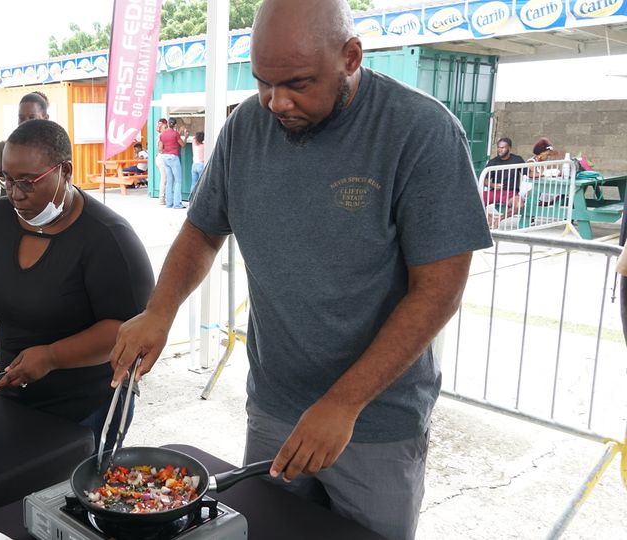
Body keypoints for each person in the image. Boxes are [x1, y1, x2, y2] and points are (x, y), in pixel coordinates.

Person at [108, 1, 492, 539]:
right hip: (276, 404)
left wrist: (343, 402)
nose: (276, 101)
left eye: (298, 83)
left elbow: (439, 291)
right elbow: (202, 231)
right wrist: (159, 310)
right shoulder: (247, 125)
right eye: (264, 82)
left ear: (351, 57)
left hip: (375, 420)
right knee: (265, 530)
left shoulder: (421, 132)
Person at [0, 119, 154, 448]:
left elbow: (127, 330)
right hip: (17, 393)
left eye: (27, 182)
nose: (14, 194)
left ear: (65, 171)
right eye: (7, 179)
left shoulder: (108, 237)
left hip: (89, 403)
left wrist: (53, 356)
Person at [0, 91, 50, 382]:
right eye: (21, 118)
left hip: (44, 234)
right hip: (10, 234)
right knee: (6, 296)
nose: (25, 123)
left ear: (46, 118)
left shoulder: (55, 150)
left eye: (32, 118)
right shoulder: (2, 149)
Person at [480, 137, 526, 221]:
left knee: (519, 205)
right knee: (473, 199)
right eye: (498, 147)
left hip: (510, 192)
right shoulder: (493, 162)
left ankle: (499, 220)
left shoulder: (517, 159)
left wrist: (542, 173)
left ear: (509, 148)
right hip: (494, 192)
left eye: (502, 148)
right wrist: (493, 185)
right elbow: (484, 180)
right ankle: (490, 219)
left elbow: (528, 173)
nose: (500, 150)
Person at [158, 117, 186, 209]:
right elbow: (183, 145)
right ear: (175, 125)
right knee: (178, 181)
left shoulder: (162, 135)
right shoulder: (176, 134)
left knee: (169, 181)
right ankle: (177, 204)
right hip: (174, 157)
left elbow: (160, 149)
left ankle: (169, 203)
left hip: (165, 157)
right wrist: (185, 137)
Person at [154, 119, 168, 206]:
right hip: (162, 158)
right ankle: (161, 199)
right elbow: (160, 149)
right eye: (165, 127)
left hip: (160, 158)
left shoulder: (160, 135)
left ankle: (163, 198)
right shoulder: (161, 136)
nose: (166, 129)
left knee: (164, 179)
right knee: (164, 179)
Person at [190, 131, 206, 196]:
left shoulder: (194, 144)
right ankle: (199, 197)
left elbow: (194, 139)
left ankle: (191, 198)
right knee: (201, 184)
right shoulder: (204, 146)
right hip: (201, 165)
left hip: (194, 165)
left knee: (193, 183)